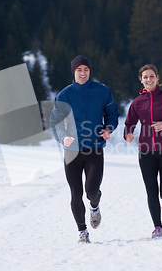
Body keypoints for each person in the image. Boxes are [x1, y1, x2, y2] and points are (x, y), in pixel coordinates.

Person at [50, 55, 120, 243]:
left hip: (94, 148)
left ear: (90, 71)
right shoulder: (64, 95)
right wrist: (63, 137)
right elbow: (55, 123)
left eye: (86, 70)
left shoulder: (102, 91)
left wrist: (108, 128)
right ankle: (82, 231)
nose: (83, 73)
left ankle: (95, 206)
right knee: (75, 192)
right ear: (74, 72)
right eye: (79, 70)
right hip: (72, 151)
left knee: (91, 191)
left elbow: (112, 114)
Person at [123, 64, 162, 238]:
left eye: (152, 76)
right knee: (151, 190)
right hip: (146, 151)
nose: (148, 80)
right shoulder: (137, 103)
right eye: (145, 77)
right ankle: (158, 227)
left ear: (157, 78)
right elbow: (129, 123)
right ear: (141, 80)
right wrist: (128, 133)